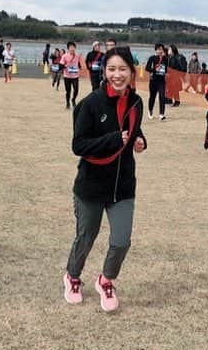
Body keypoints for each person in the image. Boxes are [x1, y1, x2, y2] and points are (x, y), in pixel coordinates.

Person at [63, 48, 147, 312]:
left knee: (121, 240)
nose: (117, 75)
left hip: (122, 186)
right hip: (91, 186)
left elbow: (133, 127)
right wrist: (114, 140)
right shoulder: (89, 104)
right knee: (86, 237)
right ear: (104, 71)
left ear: (132, 72)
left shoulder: (137, 102)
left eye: (123, 69)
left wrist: (139, 139)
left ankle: (105, 280)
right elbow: (79, 145)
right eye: (112, 69)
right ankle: (72, 276)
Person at [145, 43, 168, 120]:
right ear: (156, 50)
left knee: (162, 96)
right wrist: (154, 70)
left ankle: (161, 114)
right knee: (152, 97)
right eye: (158, 49)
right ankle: (150, 110)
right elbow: (147, 68)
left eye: (161, 49)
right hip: (153, 80)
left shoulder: (165, 58)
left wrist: (165, 72)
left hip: (162, 80)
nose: (160, 51)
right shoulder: (152, 58)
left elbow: (167, 68)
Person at [60, 41, 84, 109]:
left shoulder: (77, 56)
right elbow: (61, 66)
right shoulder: (64, 56)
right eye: (71, 47)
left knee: (76, 89)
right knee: (68, 91)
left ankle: (73, 100)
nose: (72, 49)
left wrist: (80, 67)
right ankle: (67, 102)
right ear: (68, 48)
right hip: (67, 76)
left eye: (73, 47)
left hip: (75, 76)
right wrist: (66, 65)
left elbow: (78, 63)